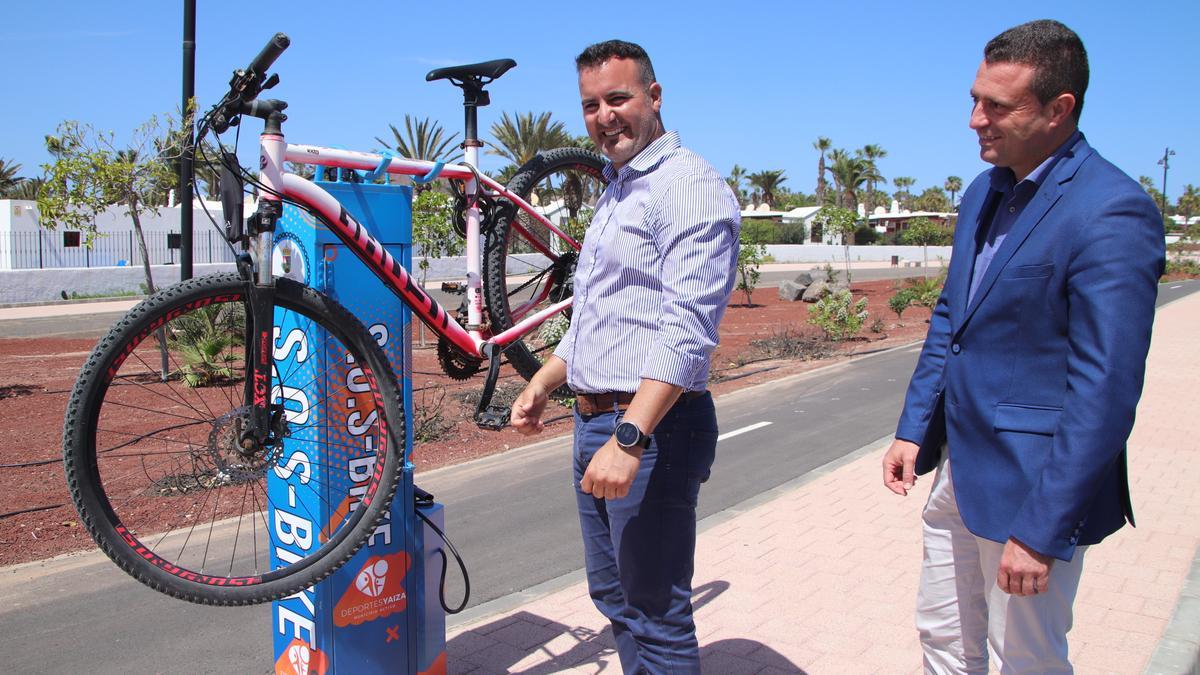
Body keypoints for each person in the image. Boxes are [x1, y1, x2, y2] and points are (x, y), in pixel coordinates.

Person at [881, 19, 1165, 673]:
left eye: (997, 106)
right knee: (944, 640)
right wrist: (913, 427)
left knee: (1025, 660)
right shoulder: (984, 190)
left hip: (1031, 488)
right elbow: (953, 318)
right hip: (959, 470)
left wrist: (1042, 528)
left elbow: (1106, 388)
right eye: (975, 98)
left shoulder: (1111, 211)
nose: (975, 118)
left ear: (1059, 109)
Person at [510, 39, 740, 674]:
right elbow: (600, 311)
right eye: (591, 104)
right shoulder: (617, 190)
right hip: (596, 423)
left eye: (618, 98)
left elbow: (689, 329)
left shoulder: (686, 187)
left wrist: (631, 435)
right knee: (615, 597)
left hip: (651, 431)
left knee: (656, 613)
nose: (604, 115)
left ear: (654, 97)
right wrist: (550, 380)